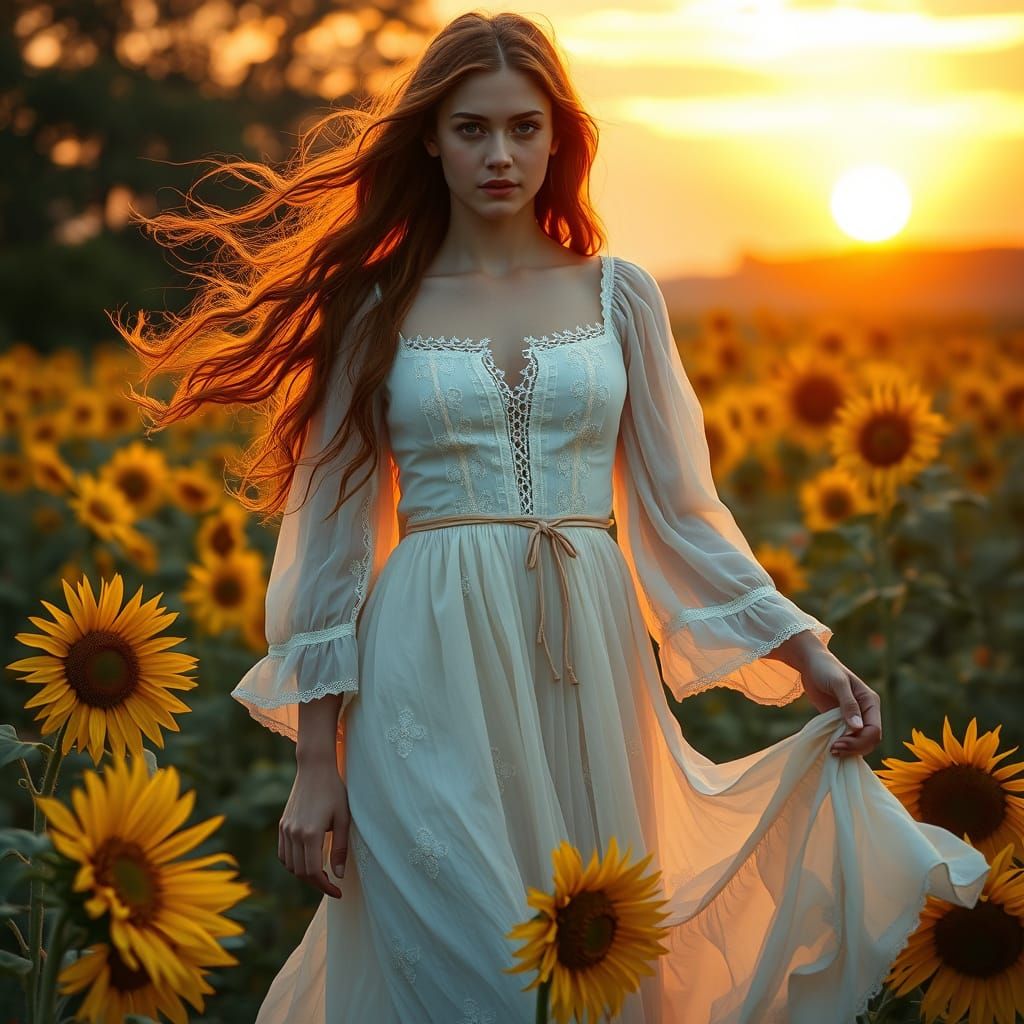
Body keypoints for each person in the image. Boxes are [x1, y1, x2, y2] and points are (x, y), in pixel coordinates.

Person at [120, 11, 989, 1023]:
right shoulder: (372, 307)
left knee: (597, 954)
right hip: (425, 657)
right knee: (467, 968)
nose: (500, 154)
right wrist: (318, 762)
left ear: (557, 139)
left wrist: (806, 652)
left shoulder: (620, 297)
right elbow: (332, 542)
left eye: (523, 128)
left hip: (588, 662)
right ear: (431, 140)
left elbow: (682, 512)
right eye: (472, 129)